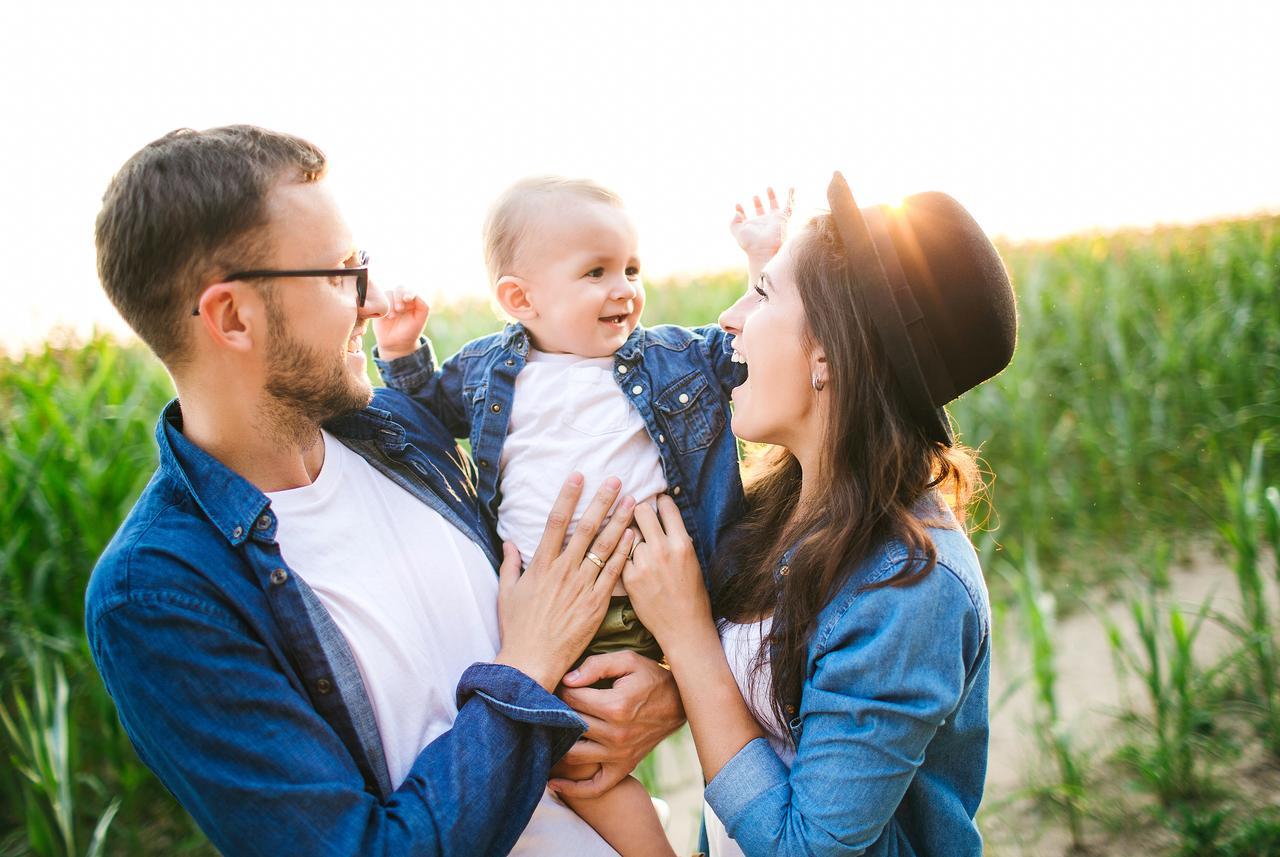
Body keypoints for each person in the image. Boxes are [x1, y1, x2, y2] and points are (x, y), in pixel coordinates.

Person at [85, 125, 683, 856]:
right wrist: (524, 669)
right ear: (232, 316)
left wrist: (663, 690)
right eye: (340, 274)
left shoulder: (400, 434)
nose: (369, 301)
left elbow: (586, 639)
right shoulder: (159, 596)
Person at [622, 174, 1017, 856]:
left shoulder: (911, 589)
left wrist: (687, 641)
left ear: (828, 355)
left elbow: (804, 847)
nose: (727, 317)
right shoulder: (785, 505)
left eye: (762, 293)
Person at [372, 175, 752, 856]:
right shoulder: (493, 371)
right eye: (596, 271)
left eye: (631, 267)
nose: (624, 288)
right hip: (535, 605)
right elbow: (427, 414)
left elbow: (742, 352)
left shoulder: (664, 358)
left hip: (633, 598)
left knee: (579, 764)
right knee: (568, 767)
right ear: (521, 298)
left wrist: (763, 264)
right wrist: (401, 352)